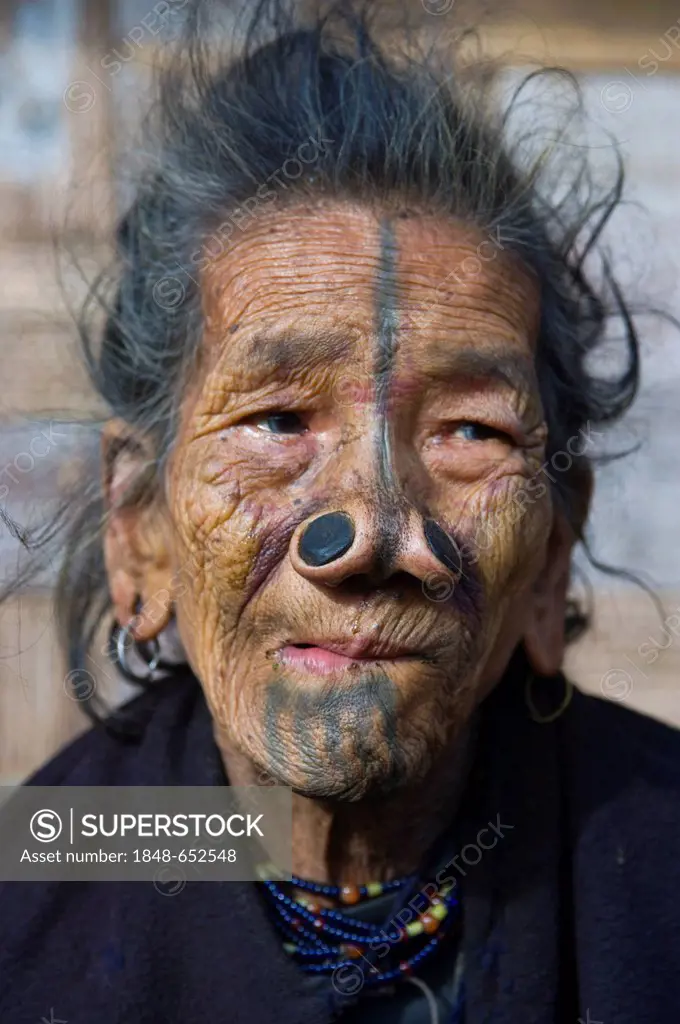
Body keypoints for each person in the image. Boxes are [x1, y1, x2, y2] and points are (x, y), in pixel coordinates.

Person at [1, 2, 678, 1022]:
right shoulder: (50, 888)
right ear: (139, 528)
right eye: (276, 419)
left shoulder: (650, 857)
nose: (369, 531)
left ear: (551, 557)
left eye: (468, 431)